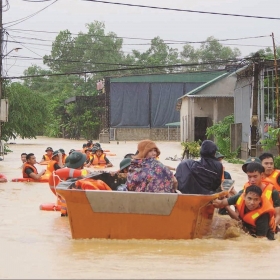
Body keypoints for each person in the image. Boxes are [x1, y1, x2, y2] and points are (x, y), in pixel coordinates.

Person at [213, 162, 280, 226]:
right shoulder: (244, 192)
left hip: (265, 227)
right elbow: (220, 203)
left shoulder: (273, 192)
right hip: (249, 226)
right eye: (249, 177)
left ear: (262, 175)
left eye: (255, 176)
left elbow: (278, 216)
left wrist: (271, 228)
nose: (252, 180)